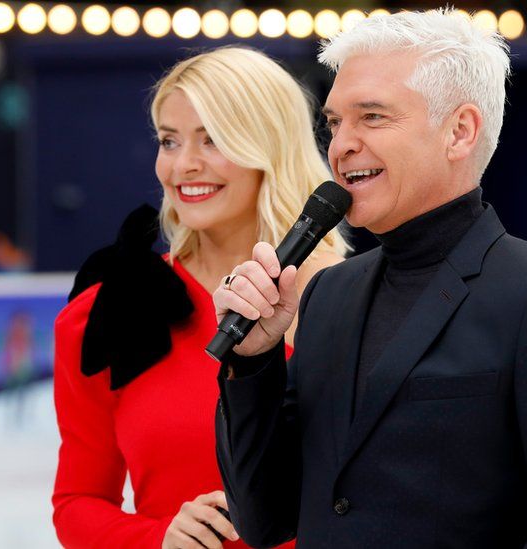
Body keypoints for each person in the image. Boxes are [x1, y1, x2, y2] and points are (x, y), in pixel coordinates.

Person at [213, 10, 527, 548]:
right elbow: (264, 519)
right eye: (334, 122)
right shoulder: (327, 294)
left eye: (371, 117)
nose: (340, 144)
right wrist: (253, 363)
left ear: (459, 131)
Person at [51, 46, 346, 549]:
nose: (184, 164)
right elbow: (76, 505)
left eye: (212, 140)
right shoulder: (107, 311)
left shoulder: (352, 300)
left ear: (268, 147)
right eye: (169, 141)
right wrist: (156, 537)